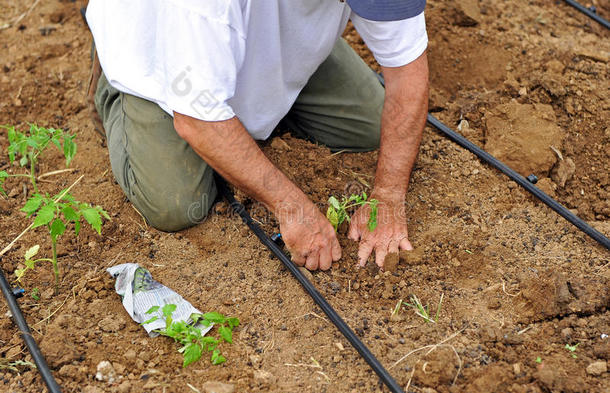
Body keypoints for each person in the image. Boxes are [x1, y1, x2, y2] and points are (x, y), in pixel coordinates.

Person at [85, 0, 429, 271]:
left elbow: (407, 75)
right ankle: (116, 91)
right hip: (163, 49)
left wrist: (388, 195)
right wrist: (291, 207)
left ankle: (263, 71)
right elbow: (198, 123)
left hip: (257, 29)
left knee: (369, 125)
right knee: (173, 205)